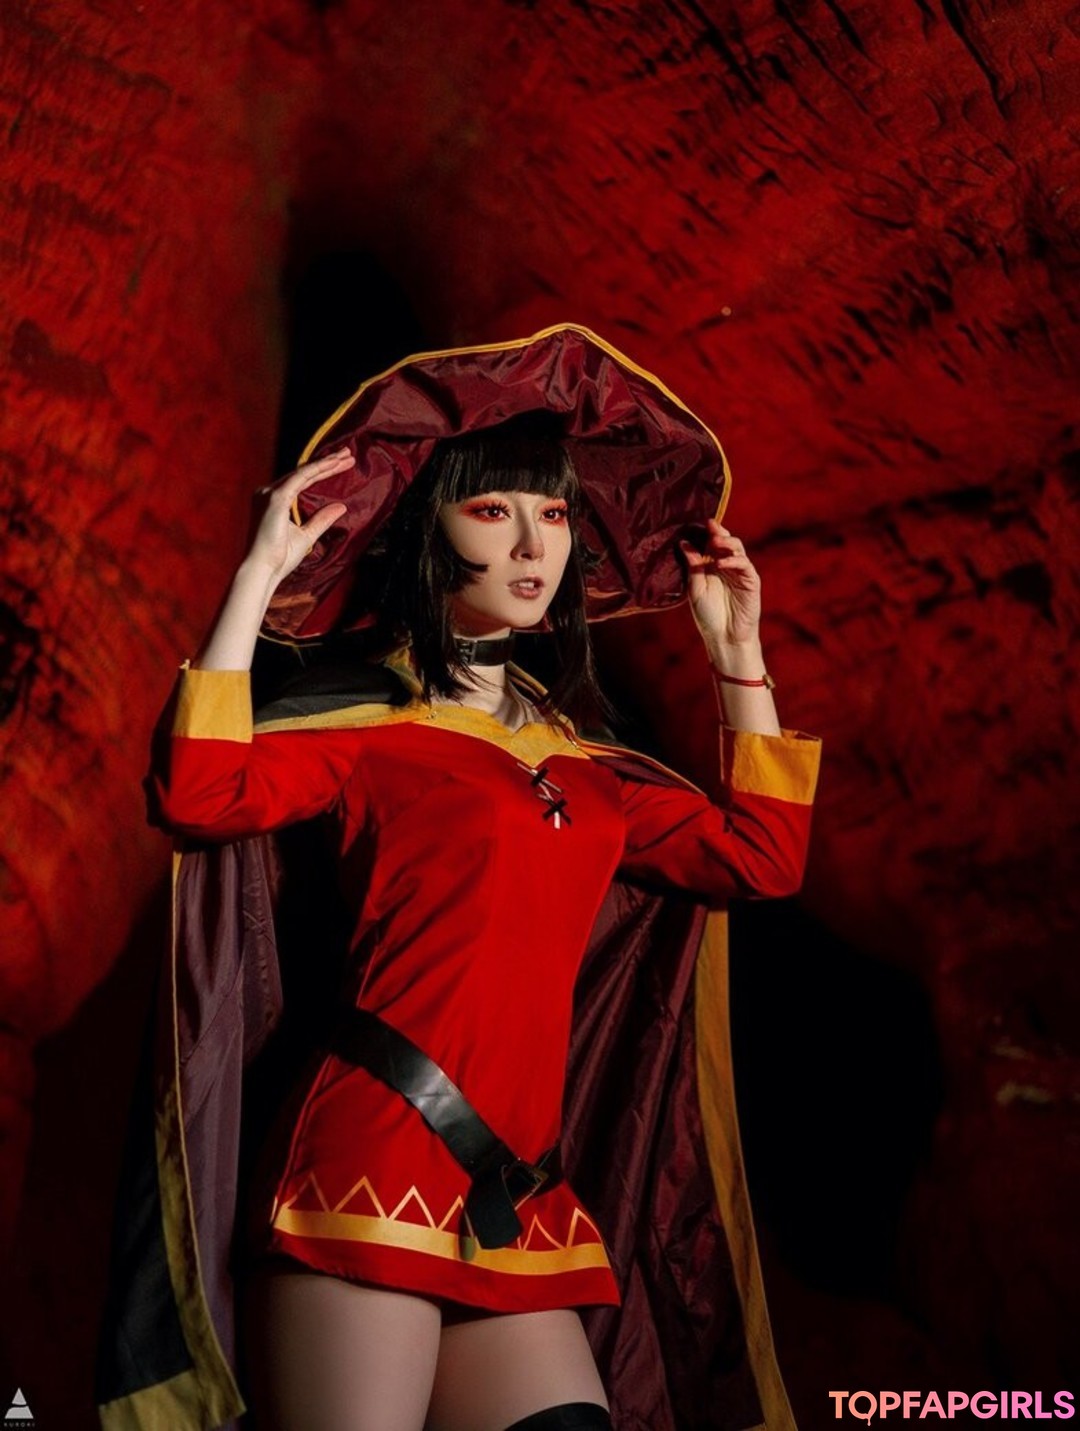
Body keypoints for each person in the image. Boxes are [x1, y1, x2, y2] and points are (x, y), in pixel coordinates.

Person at [94, 325, 821, 1431]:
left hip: (514, 1196)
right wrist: (255, 579)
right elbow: (199, 792)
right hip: (366, 1163)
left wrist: (738, 659)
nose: (534, 544)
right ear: (429, 537)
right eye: (493, 510)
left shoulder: (589, 770)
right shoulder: (370, 733)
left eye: (556, 514)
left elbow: (760, 859)